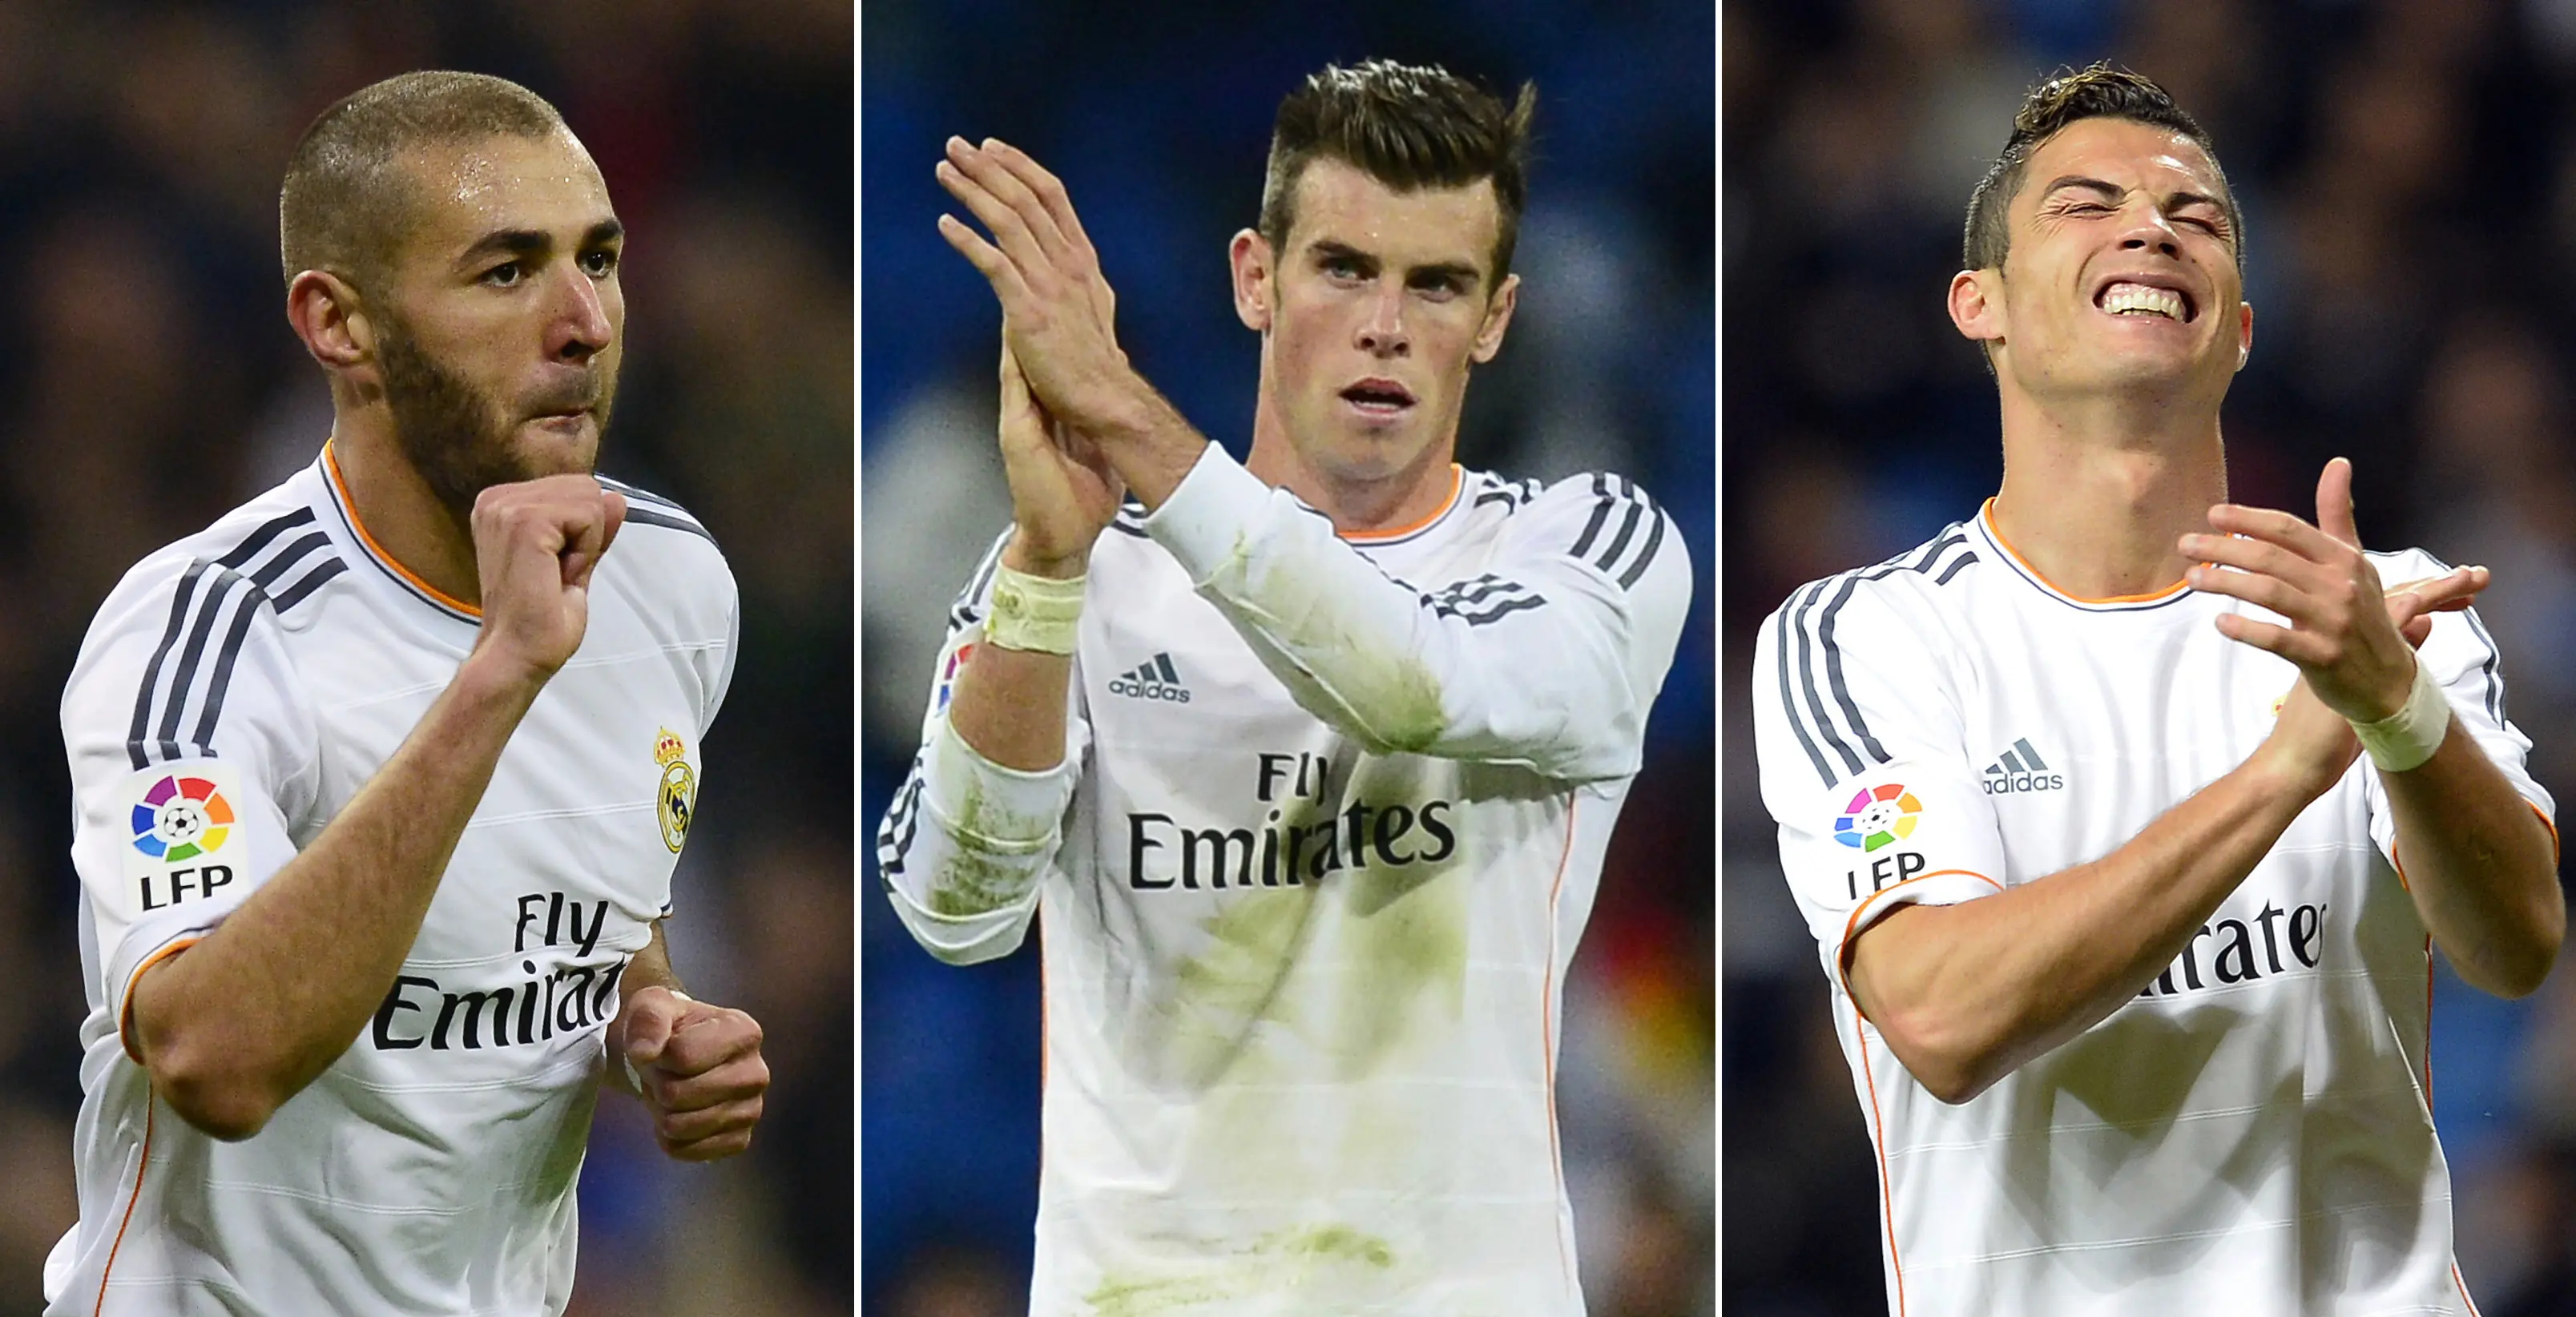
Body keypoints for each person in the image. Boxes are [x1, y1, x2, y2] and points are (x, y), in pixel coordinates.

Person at [875, 60, 1691, 1314]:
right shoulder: (1077, 566)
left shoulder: (1584, 549)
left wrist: (1132, 426)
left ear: (1495, 319)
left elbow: (1416, 686)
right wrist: (1042, 567)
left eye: (1437, 285)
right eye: (1344, 269)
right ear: (1255, 276)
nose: (1384, 324)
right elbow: (955, 909)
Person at [1752, 65, 2562, 1316]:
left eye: (2198, 218)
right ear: (1982, 305)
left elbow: (2515, 946)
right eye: (2084, 205)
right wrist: (2283, 773)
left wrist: (2395, 714)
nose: (2149, 228)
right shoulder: (1868, 637)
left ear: (2238, 324)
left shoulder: (2376, 612)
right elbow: (1940, 1011)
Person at [42, 71, 769, 1316]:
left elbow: (586, 890)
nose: (584, 322)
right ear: (340, 325)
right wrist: (498, 677)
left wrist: (648, 1022)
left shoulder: (675, 582)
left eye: (599, 259)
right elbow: (213, 1056)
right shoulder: (204, 632)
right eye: (506, 271)